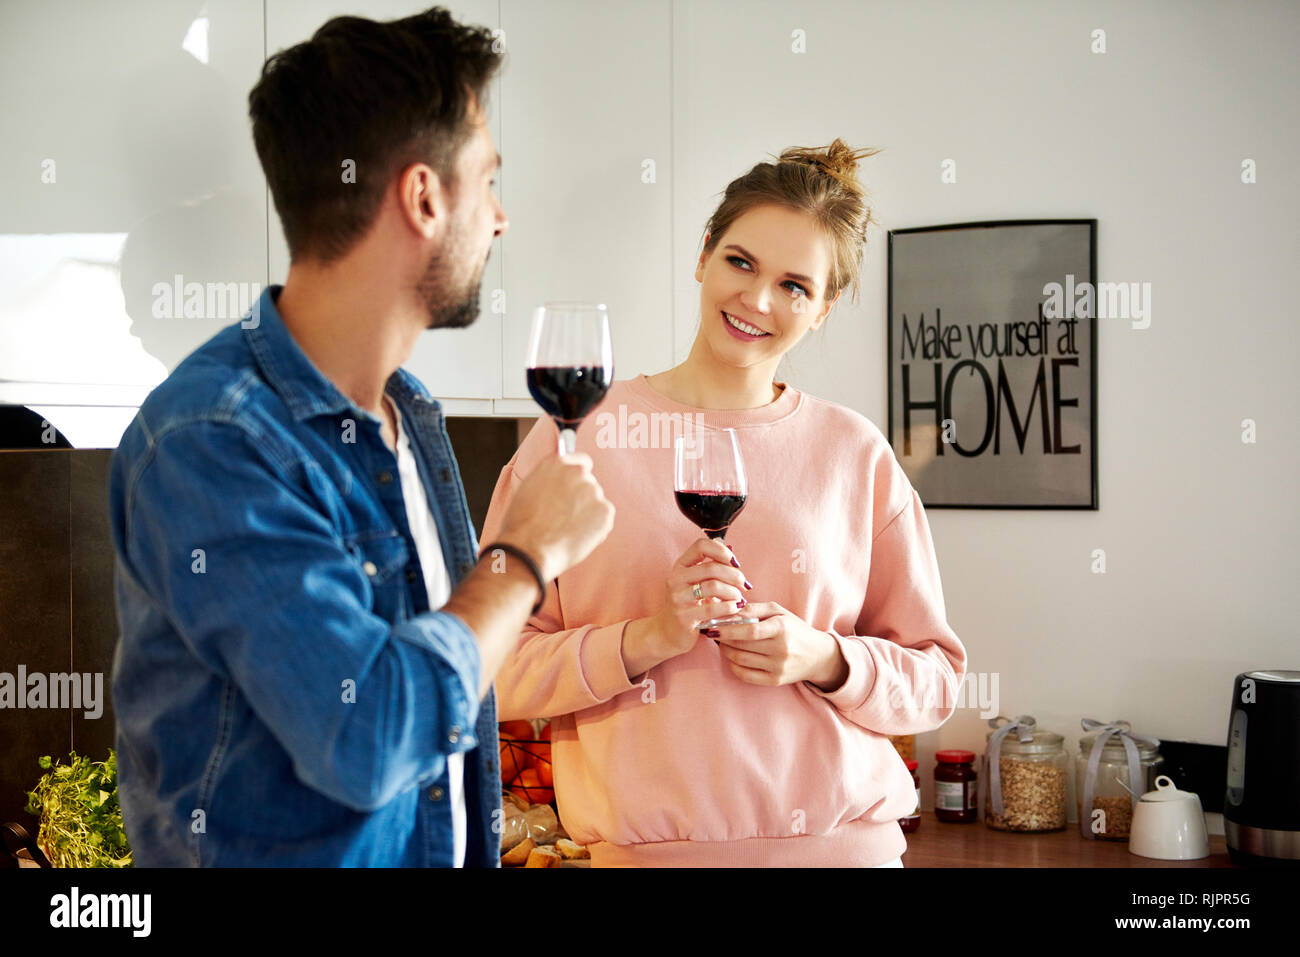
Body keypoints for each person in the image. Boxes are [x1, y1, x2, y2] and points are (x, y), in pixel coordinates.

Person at [108, 8, 614, 866]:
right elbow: (367, 734)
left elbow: (443, 744)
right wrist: (522, 558)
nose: (500, 217)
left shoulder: (410, 413)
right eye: (488, 180)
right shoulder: (214, 438)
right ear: (423, 197)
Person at [481, 140, 968, 867]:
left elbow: (935, 682)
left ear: (823, 308)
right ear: (704, 254)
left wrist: (824, 657)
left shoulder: (854, 452)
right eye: (741, 262)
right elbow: (490, 665)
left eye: (794, 286)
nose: (758, 300)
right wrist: (645, 638)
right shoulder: (577, 437)